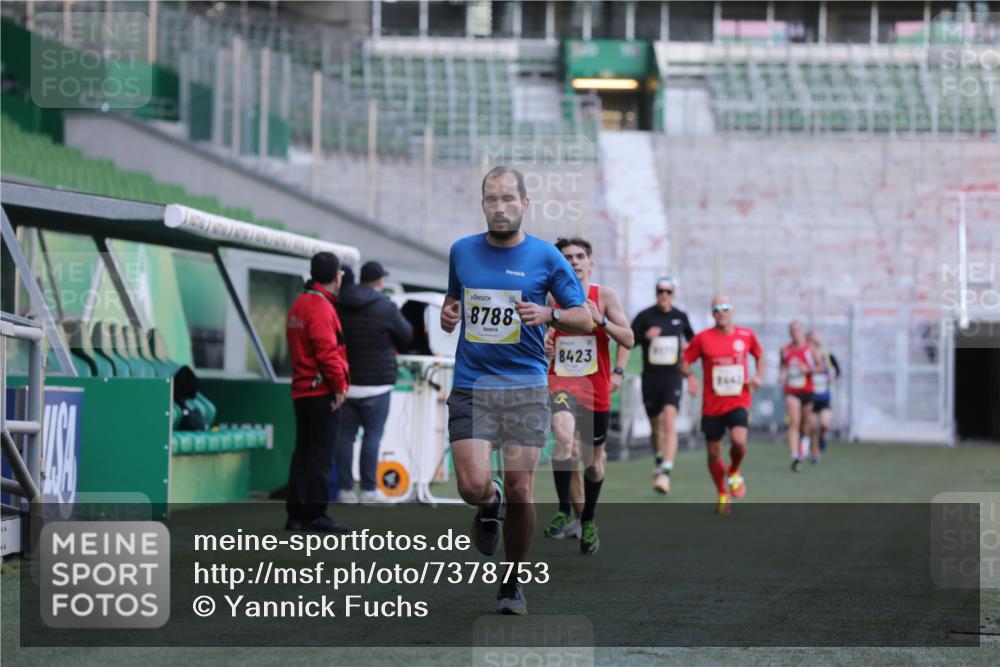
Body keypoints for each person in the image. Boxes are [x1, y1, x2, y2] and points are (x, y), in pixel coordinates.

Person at [440, 166, 591, 615]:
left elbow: (583, 315)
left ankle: (512, 583)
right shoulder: (461, 251)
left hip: (525, 388)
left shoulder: (546, 257)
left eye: (508, 199)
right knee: (471, 485)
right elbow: (455, 302)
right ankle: (489, 503)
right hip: (472, 385)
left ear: (524, 204)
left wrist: (550, 317)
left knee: (524, 489)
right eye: (491, 199)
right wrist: (449, 316)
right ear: (483, 203)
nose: (500, 207)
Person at [542, 237, 633, 554]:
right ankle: (564, 510)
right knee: (564, 437)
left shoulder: (604, 297)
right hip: (562, 382)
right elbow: (534, 336)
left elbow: (629, 339)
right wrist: (545, 346)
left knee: (594, 463)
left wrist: (602, 321)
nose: (574, 261)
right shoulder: (550, 299)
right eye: (567, 257)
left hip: (596, 388)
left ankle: (589, 518)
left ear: (590, 263)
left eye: (580, 256)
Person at [335, 260, 413, 505]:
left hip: (345, 382)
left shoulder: (339, 304)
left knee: (345, 437)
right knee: (372, 437)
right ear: (379, 281)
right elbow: (407, 335)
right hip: (377, 383)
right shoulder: (385, 307)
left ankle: (345, 490)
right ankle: (368, 490)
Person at [285, 252, 350, 533]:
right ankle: (315, 514)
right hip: (320, 391)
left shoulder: (300, 303)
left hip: (302, 390)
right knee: (320, 456)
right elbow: (327, 353)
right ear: (336, 276)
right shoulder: (321, 307)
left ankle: (297, 516)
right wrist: (339, 388)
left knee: (303, 454)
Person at [679, 296, 763, 515]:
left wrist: (758, 376)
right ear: (712, 314)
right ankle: (722, 491)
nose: (721, 312)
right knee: (714, 453)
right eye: (716, 309)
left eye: (725, 308)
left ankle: (734, 470)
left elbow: (759, 354)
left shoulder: (746, 335)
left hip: (739, 400)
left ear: (732, 311)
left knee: (739, 441)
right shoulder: (703, 338)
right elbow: (684, 361)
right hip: (712, 405)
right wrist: (690, 377)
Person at [630, 277, 696, 494]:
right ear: (656, 292)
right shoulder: (645, 316)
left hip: (672, 377)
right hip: (651, 377)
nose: (664, 295)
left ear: (673, 294)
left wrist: (690, 373)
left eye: (668, 291)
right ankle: (659, 457)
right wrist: (645, 336)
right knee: (655, 426)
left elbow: (693, 344)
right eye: (660, 291)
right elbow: (630, 339)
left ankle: (665, 473)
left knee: (669, 422)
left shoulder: (680, 317)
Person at [780, 321, 816, 471]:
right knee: (794, 422)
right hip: (792, 390)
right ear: (790, 333)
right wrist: (782, 374)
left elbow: (821, 367)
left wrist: (808, 369)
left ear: (802, 331)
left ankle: (805, 441)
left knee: (806, 423)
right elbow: (782, 365)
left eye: (798, 330)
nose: (796, 333)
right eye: (793, 330)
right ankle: (795, 456)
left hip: (807, 390)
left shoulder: (811, 348)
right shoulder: (785, 350)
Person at [807, 330, 841, 456]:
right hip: (810, 397)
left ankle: (822, 436)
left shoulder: (827, 356)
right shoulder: (806, 357)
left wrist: (833, 377)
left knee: (825, 424)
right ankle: (815, 452)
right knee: (813, 427)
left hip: (824, 397)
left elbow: (838, 371)